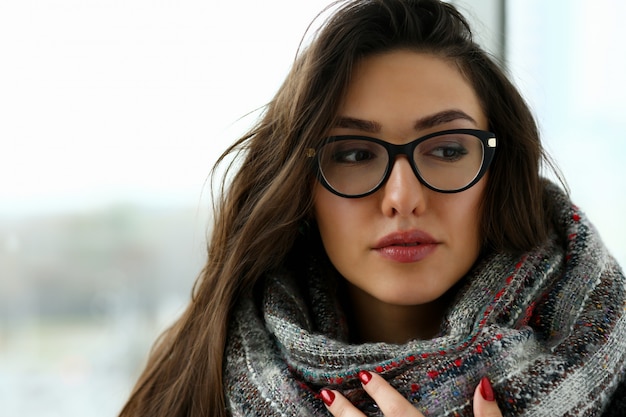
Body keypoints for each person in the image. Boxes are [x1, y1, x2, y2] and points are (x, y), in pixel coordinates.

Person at [118, 0, 626, 416]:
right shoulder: (191, 384)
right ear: (300, 186)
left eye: (448, 150)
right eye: (355, 155)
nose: (403, 198)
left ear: (499, 170)